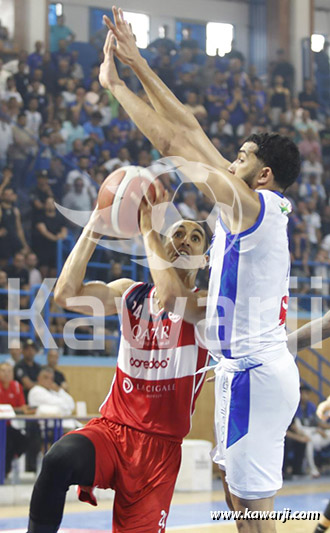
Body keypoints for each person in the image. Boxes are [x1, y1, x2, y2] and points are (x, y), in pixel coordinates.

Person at [100, 9, 301, 530]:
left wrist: (119, 83)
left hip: (255, 374)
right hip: (245, 370)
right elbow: (187, 128)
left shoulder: (252, 206)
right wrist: (133, 66)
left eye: (240, 156)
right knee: (239, 506)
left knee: (255, 518)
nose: (230, 162)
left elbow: (175, 144)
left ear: (264, 173)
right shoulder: (248, 210)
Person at [27, 190, 210, 532]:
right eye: (178, 235)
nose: (184, 241)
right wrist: (95, 224)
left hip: (158, 452)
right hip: (112, 431)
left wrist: (148, 229)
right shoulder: (131, 293)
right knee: (57, 459)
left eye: (195, 238)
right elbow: (66, 294)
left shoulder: (208, 306)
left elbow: (172, 297)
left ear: (205, 260)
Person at [0, 361, 31, 477]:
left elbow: (23, 408)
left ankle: (6, 465)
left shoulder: (17, 386)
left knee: (24, 441)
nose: (6, 374)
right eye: (3, 371)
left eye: (9, 371)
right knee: (7, 442)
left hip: (8, 425)